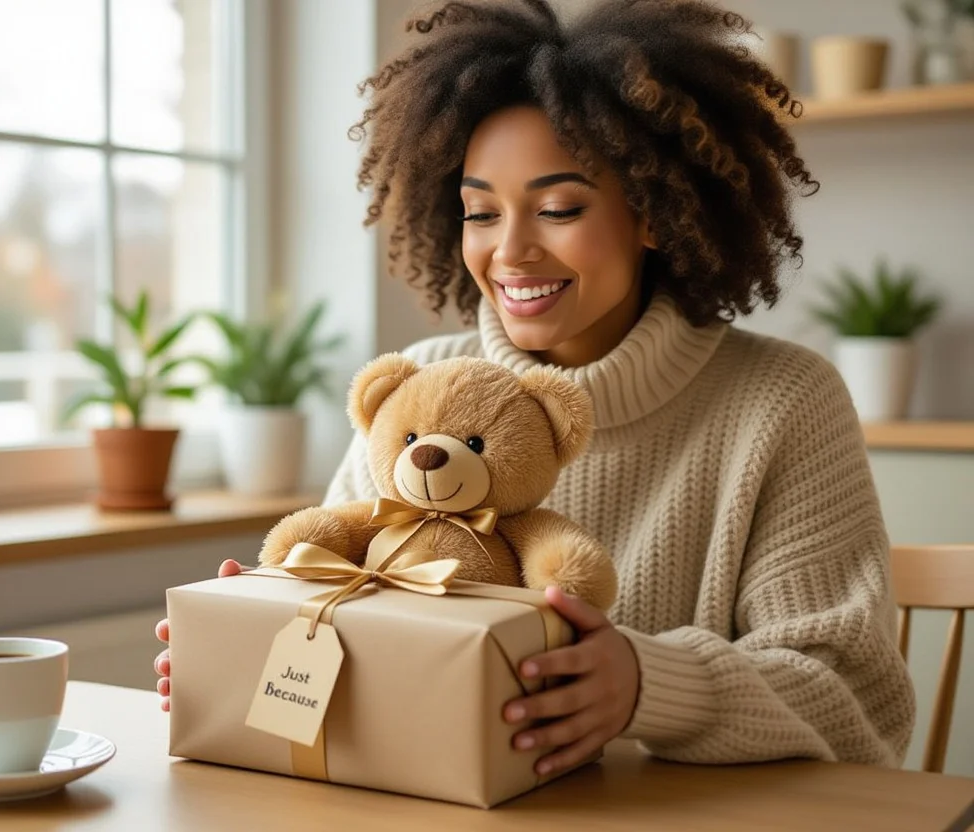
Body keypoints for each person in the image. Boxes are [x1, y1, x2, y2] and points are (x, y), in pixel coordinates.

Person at [156, 0, 916, 774]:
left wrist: (649, 685)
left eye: (557, 208)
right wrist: (253, 643)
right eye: (480, 213)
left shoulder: (784, 400)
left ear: (653, 213)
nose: (510, 250)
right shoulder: (419, 389)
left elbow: (855, 699)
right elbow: (353, 628)